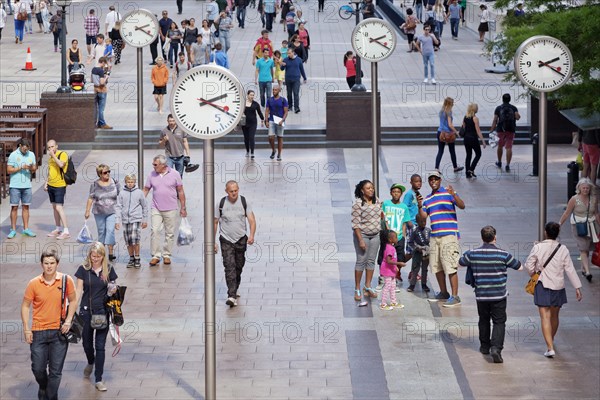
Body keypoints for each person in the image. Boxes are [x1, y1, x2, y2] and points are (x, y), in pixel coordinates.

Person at [459, 226, 521, 363]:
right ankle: (496, 348)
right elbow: (519, 266)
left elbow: (460, 263)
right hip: (499, 295)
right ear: (495, 237)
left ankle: (484, 346)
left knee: (483, 319)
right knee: (499, 322)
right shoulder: (503, 254)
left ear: (482, 238)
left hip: (481, 295)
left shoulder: (473, 253)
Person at [21, 250, 77, 400]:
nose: (49, 266)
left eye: (52, 263)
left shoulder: (66, 280)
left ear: (57, 264)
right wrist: (27, 329)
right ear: (42, 265)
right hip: (38, 331)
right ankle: (43, 386)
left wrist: (68, 320)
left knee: (55, 372)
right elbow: (25, 305)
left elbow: (73, 300)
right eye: (46, 263)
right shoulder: (33, 283)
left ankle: (50, 397)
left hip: (59, 332)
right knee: (38, 368)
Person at [524, 222, 583, 358]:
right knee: (555, 316)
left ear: (546, 232)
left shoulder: (538, 247)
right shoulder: (563, 249)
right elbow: (570, 269)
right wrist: (577, 287)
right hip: (558, 286)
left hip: (542, 284)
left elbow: (528, 265)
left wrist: (533, 273)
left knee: (544, 316)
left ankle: (550, 347)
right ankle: (551, 340)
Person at [74, 242, 118, 392]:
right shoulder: (83, 269)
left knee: (100, 346)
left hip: (102, 311)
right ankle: (90, 362)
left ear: (103, 256)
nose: (95, 259)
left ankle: (98, 379)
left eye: (98, 256)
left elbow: (113, 285)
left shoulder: (109, 269)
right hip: (86, 312)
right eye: (93, 256)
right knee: (87, 344)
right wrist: (72, 307)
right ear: (89, 255)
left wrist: (112, 289)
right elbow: (78, 290)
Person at [418, 170, 465, 307]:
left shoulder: (448, 193)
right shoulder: (427, 199)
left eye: (436, 179)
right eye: (431, 179)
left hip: (449, 235)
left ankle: (455, 296)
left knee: (450, 265)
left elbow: (462, 206)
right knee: (436, 266)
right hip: (435, 236)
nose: (433, 181)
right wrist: (420, 205)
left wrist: (454, 194)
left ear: (440, 180)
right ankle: (444, 293)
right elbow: (423, 217)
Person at [214, 180, 257, 307]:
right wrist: (213, 241)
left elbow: (252, 220)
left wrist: (252, 235)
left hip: (240, 239)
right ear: (226, 191)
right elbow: (215, 222)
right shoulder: (221, 203)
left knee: (239, 265)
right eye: (231, 191)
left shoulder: (244, 202)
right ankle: (231, 295)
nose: (234, 193)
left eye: (236, 190)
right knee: (229, 266)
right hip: (226, 239)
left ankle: (235, 285)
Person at [143, 154, 187, 266]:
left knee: (170, 233)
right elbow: (146, 189)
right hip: (156, 207)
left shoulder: (175, 174)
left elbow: (180, 191)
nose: (153, 166)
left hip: (171, 208)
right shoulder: (151, 175)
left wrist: (183, 207)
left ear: (163, 165)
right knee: (155, 230)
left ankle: (166, 254)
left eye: (155, 164)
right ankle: (156, 255)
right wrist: (140, 203)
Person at [559, 178, 597, 282]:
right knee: (583, 248)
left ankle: (583, 269)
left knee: (587, 247)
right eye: (583, 188)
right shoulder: (574, 199)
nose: (585, 190)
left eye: (587, 188)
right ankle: (588, 272)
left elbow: (596, 213)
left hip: (591, 226)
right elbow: (567, 213)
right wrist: (559, 224)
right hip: (578, 226)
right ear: (579, 188)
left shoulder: (594, 199)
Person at [351, 180, 382, 301]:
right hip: (363, 235)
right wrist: (360, 240)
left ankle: (368, 286)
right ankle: (357, 288)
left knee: (371, 261)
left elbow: (380, 214)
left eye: (372, 188)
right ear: (362, 190)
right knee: (361, 261)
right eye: (368, 188)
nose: (371, 190)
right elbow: (355, 225)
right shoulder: (358, 204)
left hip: (375, 235)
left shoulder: (377, 201)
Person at [85, 164, 120, 261]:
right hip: (99, 212)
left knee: (110, 231)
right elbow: (91, 198)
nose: (107, 174)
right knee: (101, 232)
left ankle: (111, 252)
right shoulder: (95, 184)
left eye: (109, 171)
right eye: (105, 172)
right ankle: (101, 252)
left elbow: (119, 195)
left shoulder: (115, 182)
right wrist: (87, 211)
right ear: (100, 174)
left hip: (111, 211)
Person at [379, 183, 411, 288]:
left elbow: (404, 222)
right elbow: (383, 218)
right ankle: (382, 276)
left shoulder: (404, 207)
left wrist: (403, 235)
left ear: (401, 194)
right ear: (391, 193)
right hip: (387, 236)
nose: (396, 194)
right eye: (394, 191)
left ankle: (395, 275)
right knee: (384, 256)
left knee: (399, 256)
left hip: (399, 236)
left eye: (398, 192)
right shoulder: (386, 204)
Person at [115, 174, 148, 269]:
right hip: (125, 220)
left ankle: (137, 257)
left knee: (135, 239)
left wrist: (144, 220)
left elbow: (144, 206)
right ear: (125, 182)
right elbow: (118, 207)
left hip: (136, 219)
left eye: (132, 182)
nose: (130, 184)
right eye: (128, 182)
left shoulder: (139, 192)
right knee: (128, 241)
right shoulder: (121, 193)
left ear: (135, 182)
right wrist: (117, 221)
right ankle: (131, 257)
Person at [7, 138, 37, 238]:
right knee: (14, 207)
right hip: (15, 185)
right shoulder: (13, 155)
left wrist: (30, 167)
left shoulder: (31, 154)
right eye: (24, 149)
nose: (26, 151)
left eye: (27, 149)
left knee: (26, 207)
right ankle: (13, 229)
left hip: (27, 185)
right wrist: (20, 167)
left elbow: (34, 168)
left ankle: (26, 228)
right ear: (20, 146)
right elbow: (9, 170)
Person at [45, 140, 71, 240]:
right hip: (51, 184)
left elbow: (61, 165)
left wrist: (53, 155)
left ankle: (66, 231)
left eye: (52, 147)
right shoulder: (50, 158)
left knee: (59, 207)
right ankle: (58, 228)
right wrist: (46, 182)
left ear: (56, 146)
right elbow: (50, 171)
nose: (51, 149)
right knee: (54, 207)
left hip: (60, 185)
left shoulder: (62, 154)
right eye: (49, 148)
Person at [489, 93, 520, 172]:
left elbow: (495, 120)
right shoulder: (513, 108)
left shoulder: (498, 108)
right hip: (511, 129)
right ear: (509, 99)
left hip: (500, 130)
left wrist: (491, 130)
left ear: (502, 99)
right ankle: (508, 165)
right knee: (509, 147)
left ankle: (499, 162)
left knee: (500, 146)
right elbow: (517, 117)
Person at [434, 97, 462, 172]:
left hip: (440, 132)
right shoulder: (448, 111)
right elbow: (450, 125)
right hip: (448, 134)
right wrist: (456, 132)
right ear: (450, 104)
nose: (453, 104)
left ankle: (436, 168)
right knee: (452, 150)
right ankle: (455, 167)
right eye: (452, 103)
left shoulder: (441, 111)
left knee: (440, 151)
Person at [380, 231, 406, 310]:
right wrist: (399, 263)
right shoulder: (389, 248)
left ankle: (393, 301)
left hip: (391, 270)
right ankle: (383, 304)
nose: (397, 238)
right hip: (387, 271)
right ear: (390, 239)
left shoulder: (391, 247)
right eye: (395, 237)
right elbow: (388, 261)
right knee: (387, 286)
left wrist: (395, 267)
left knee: (393, 286)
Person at [461, 103, 486, 178]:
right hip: (473, 138)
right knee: (478, 154)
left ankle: (467, 173)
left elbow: (463, 127)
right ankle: (471, 169)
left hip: (466, 138)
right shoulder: (475, 118)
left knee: (468, 155)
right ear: (474, 109)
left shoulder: (465, 117)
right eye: (477, 107)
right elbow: (478, 131)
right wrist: (483, 141)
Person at [407, 214, 431, 292]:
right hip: (417, 252)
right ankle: (412, 285)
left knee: (425, 269)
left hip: (426, 253)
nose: (423, 223)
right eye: (421, 221)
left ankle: (424, 284)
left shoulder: (428, 231)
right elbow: (410, 242)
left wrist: (429, 248)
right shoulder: (415, 231)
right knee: (415, 269)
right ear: (417, 222)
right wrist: (416, 248)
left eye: (424, 221)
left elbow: (432, 241)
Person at [265, 86, 288, 161]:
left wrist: (282, 120)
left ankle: (279, 154)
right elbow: (267, 110)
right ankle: (273, 150)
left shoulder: (283, 100)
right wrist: (266, 120)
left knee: (279, 137)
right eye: (273, 90)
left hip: (280, 120)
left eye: (275, 90)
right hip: (272, 119)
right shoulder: (269, 100)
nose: (274, 91)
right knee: (270, 137)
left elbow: (286, 112)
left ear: (279, 91)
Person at [280, 48, 307, 114]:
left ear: (293, 52)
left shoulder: (299, 60)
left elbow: (301, 69)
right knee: (289, 94)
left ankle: (296, 107)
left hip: (296, 79)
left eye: (289, 53)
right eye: (287, 53)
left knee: (296, 93)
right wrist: (282, 65)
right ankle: (290, 106)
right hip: (288, 79)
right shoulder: (285, 60)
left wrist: (304, 77)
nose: (288, 55)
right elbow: (282, 69)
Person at [242, 90, 265, 158]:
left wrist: (262, 119)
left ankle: (252, 152)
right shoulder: (243, 103)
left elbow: (259, 112)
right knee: (246, 138)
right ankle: (247, 151)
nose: (252, 96)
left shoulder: (256, 104)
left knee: (251, 137)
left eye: (253, 95)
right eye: (251, 95)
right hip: (244, 123)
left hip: (253, 123)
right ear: (247, 95)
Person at [92, 56, 111, 129]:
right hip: (102, 90)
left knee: (96, 108)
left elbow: (91, 80)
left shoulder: (93, 69)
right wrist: (106, 77)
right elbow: (102, 82)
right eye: (104, 64)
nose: (104, 65)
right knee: (101, 109)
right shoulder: (100, 71)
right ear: (102, 62)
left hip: (95, 89)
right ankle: (102, 123)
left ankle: (95, 123)